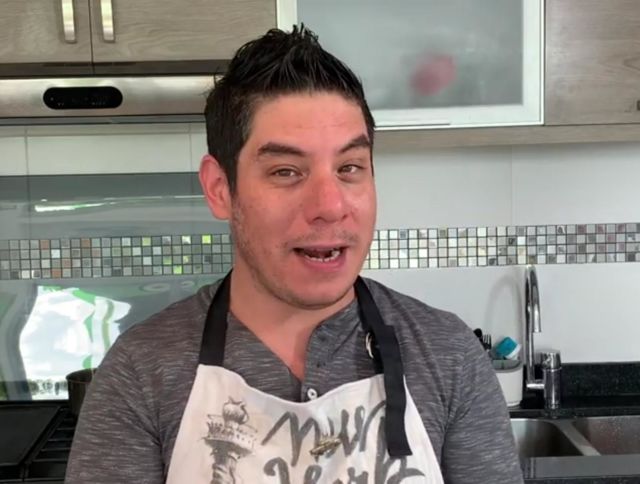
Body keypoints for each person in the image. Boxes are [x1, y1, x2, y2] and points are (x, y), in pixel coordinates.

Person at [65, 26, 523, 484]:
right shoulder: (141, 373)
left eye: (349, 167)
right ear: (220, 189)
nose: (330, 206)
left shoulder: (449, 357)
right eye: (286, 171)